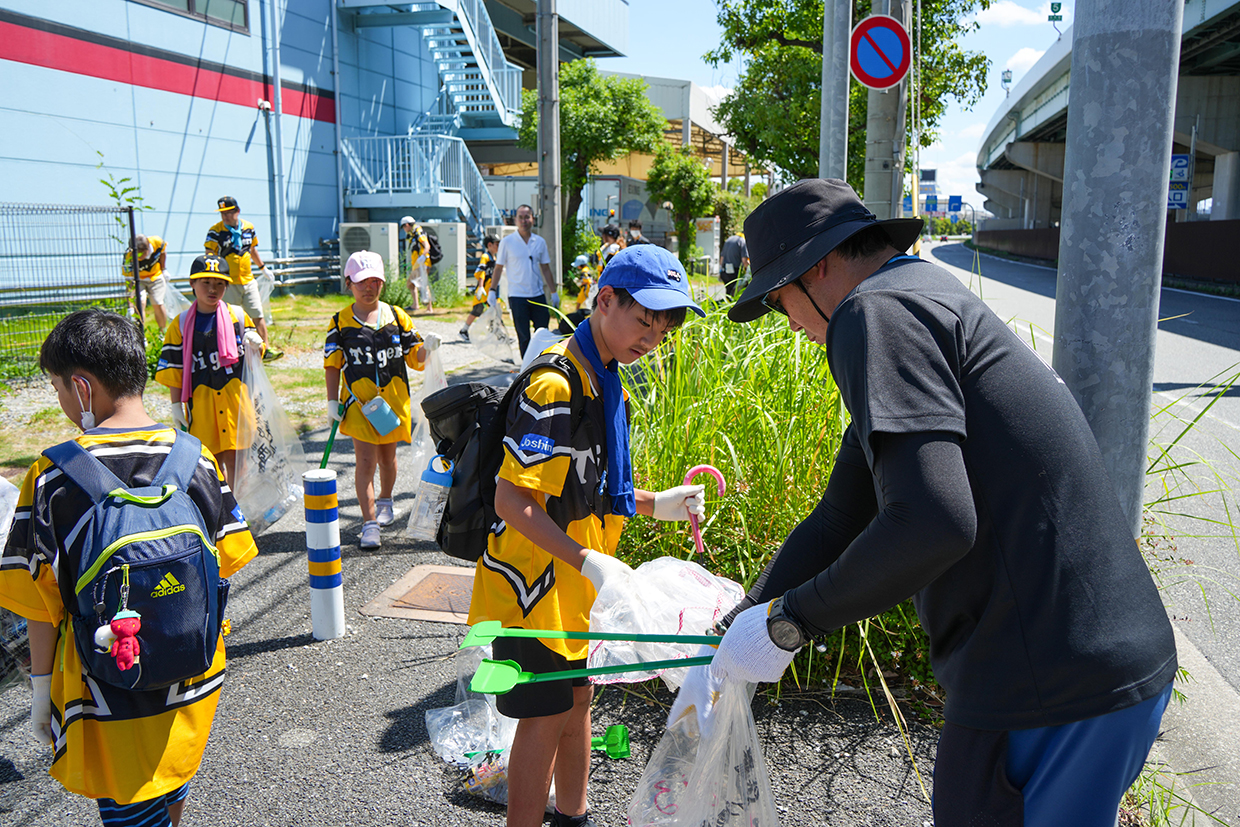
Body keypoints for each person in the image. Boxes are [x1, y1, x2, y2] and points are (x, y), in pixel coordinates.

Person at [669, 179, 1178, 827]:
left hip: (1050, 679)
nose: (789, 323)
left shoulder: (873, 313)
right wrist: (739, 622)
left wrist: (787, 623)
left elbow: (934, 522)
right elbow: (838, 518)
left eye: (777, 300)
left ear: (817, 266)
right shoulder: (923, 295)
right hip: (1091, 660)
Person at [467, 245, 708, 827]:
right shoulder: (556, 383)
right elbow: (511, 497)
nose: (655, 334)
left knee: (579, 701)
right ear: (604, 301)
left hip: (572, 585)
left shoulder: (605, 376)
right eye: (645, 317)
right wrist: (589, 560)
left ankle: (573, 815)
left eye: (668, 322)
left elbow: (587, 485)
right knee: (544, 716)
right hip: (534, 588)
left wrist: (657, 504)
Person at [1, 308, 258, 827]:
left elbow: (37, 603)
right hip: (191, 674)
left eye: (57, 388)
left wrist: (39, 694)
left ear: (81, 385)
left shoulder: (52, 474)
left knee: (130, 807)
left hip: (108, 685)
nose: (60, 400)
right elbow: (227, 559)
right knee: (172, 783)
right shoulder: (195, 455)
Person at [325, 250, 440, 549]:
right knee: (364, 462)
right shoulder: (339, 322)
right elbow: (332, 364)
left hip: (393, 403)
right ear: (349, 282)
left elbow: (416, 358)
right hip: (359, 406)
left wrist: (428, 347)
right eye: (362, 281)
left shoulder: (397, 316)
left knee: (388, 459)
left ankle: (386, 500)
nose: (369, 287)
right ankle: (369, 523)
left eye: (376, 280)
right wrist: (330, 402)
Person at [155, 254, 264, 488]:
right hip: (202, 404)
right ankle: (220, 513)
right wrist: (176, 405)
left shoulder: (237, 316)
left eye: (220, 283)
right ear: (192, 284)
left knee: (238, 463)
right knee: (210, 463)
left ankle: (238, 513)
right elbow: (175, 369)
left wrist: (257, 342)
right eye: (205, 282)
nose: (212, 289)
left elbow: (257, 352)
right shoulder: (181, 324)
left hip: (236, 401)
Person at [204, 196, 282, 360]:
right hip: (228, 282)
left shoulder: (248, 227)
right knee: (228, 316)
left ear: (237, 211)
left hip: (248, 279)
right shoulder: (215, 231)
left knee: (257, 314)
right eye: (222, 213)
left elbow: (252, 249)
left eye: (228, 212)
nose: (225, 216)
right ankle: (230, 350)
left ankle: (265, 349)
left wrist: (263, 268)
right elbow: (209, 254)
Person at [489, 204, 558, 359]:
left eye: (527, 216)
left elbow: (545, 268)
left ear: (533, 219)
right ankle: (526, 370)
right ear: (515, 220)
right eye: (520, 217)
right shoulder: (507, 242)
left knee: (542, 333)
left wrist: (554, 293)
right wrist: (492, 291)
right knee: (523, 336)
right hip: (517, 296)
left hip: (537, 294)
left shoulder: (539, 241)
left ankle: (542, 364)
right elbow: (498, 268)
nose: (524, 220)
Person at [123, 233, 169, 331]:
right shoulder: (128, 257)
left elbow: (163, 252)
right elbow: (129, 282)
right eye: (137, 254)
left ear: (148, 248)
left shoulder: (157, 242)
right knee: (140, 303)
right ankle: (140, 333)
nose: (139, 257)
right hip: (138, 279)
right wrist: (130, 307)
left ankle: (162, 333)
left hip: (155, 276)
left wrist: (164, 269)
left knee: (158, 303)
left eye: (141, 254)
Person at [461, 234, 499, 338]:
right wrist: (481, 286)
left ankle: (495, 332)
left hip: (490, 290)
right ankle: (464, 330)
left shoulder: (494, 258)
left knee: (495, 311)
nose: (498, 246)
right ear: (490, 245)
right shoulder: (485, 257)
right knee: (477, 310)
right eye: (497, 244)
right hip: (483, 290)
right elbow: (481, 272)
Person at [400, 215, 434, 314]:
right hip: (418, 264)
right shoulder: (413, 234)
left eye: (403, 227)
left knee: (418, 284)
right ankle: (418, 305)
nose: (404, 229)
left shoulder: (419, 233)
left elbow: (427, 245)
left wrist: (423, 256)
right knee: (414, 283)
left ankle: (426, 307)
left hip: (422, 263)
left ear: (407, 225)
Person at [719, 232, 749, 297]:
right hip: (735, 270)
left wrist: (720, 270)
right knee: (735, 292)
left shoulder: (728, 239)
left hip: (725, 270)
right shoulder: (742, 241)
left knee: (728, 290)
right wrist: (748, 270)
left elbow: (722, 257)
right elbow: (744, 260)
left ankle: (726, 303)